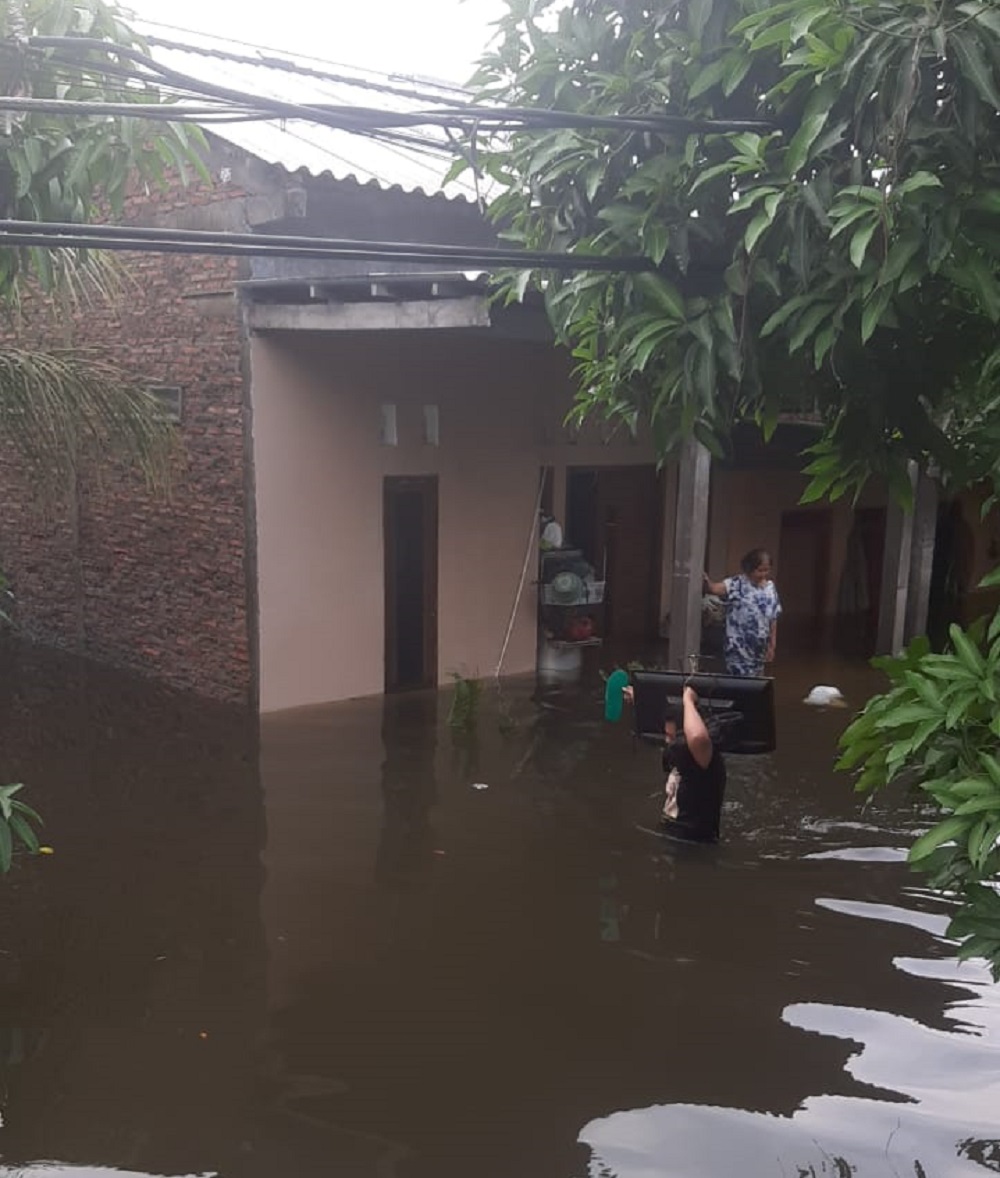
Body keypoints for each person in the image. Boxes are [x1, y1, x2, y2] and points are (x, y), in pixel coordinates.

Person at [623, 683, 728, 842]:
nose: (667, 741)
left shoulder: (704, 759)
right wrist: (640, 700)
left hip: (691, 845)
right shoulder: (684, 754)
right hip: (674, 834)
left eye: (671, 737)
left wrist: (688, 700)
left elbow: (697, 737)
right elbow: (667, 726)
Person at [704, 548, 781, 677]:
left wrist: (772, 645)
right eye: (759, 570)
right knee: (740, 681)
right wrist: (705, 581)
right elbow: (714, 589)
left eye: (766, 570)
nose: (763, 574)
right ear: (749, 568)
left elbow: (773, 617)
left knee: (757, 681)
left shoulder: (770, 588)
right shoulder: (736, 584)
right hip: (738, 647)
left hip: (759, 648)